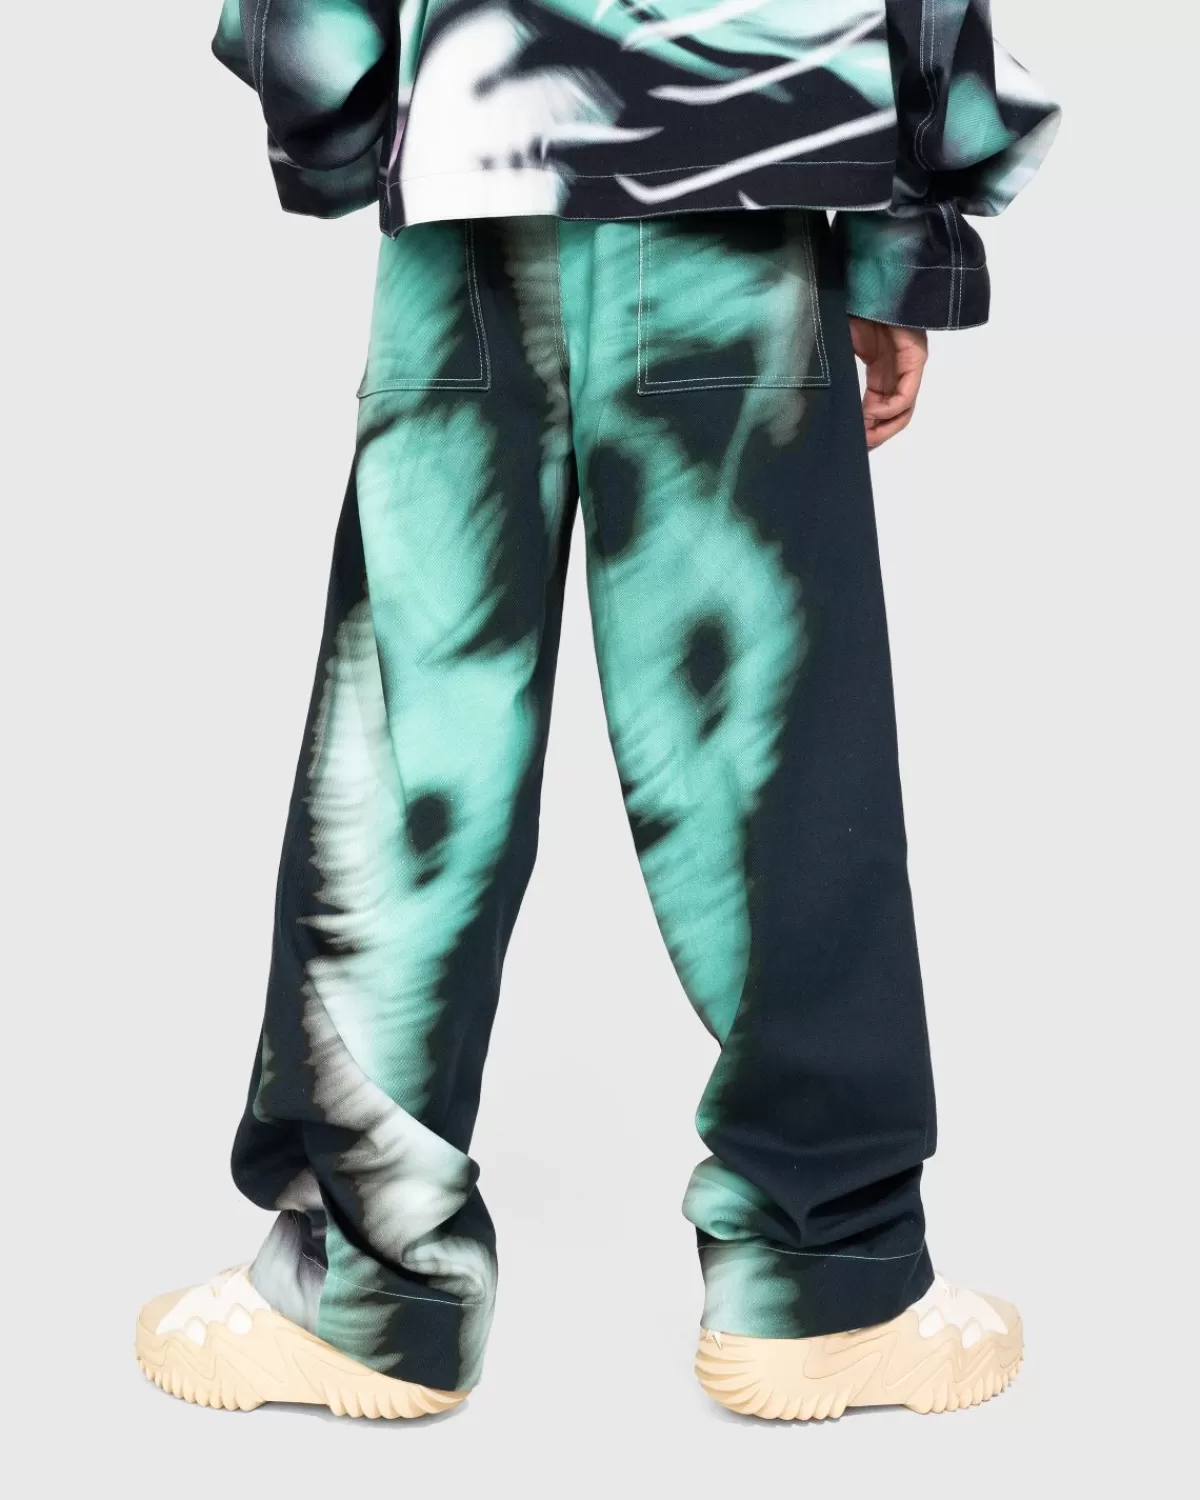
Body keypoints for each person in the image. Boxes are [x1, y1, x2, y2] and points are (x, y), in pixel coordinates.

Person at [136, 0, 1058, 1421]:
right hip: (741, 157)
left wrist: (345, 113)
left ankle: (365, 1283)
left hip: (482, 143)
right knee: (770, 741)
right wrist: (906, 231)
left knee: (415, 740)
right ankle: (826, 1278)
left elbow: (313, 48)